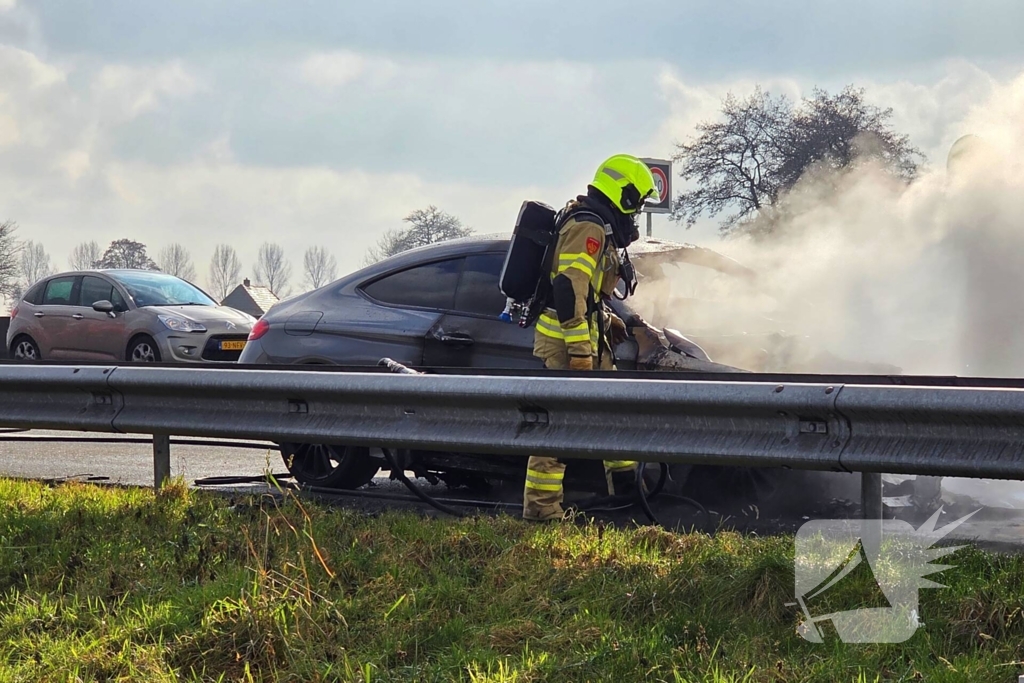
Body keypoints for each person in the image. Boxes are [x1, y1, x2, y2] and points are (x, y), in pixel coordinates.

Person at [522, 154, 660, 521]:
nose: (637, 212)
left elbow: (588, 291)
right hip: (568, 346)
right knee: (558, 430)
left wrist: (609, 319)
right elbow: (568, 288)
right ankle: (542, 513)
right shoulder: (588, 227)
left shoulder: (597, 223)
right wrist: (580, 351)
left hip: (589, 339)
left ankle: (629, 496)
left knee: (611, 418)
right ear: (624, 195)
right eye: (638, 202)